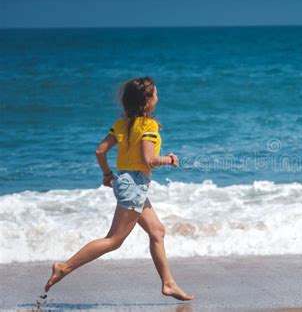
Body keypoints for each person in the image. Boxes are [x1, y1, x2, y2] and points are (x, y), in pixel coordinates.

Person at [43, 76, 194, 301]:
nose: (158, 97)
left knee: (157, 231)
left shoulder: (121, 124)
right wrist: (169, 159)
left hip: (126, 182)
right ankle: (64, 267)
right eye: (156, 94)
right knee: (114, 240)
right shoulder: (148, 125)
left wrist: (107, 174)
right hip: (134, 186)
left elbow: (100, 151)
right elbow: (148, 159)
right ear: (147, 101)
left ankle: (169, 283)